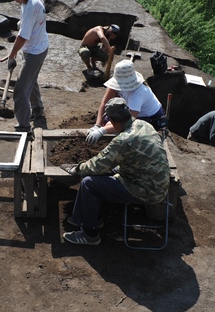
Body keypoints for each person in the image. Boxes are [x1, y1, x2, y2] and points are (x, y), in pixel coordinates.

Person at [61, 97, 169, 246]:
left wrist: (77, 168)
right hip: (157, 182)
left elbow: (98, 165)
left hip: (146, 190)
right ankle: (83, 218)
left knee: (88, 183)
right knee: (106, 172)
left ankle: (90, 234)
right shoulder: (144, 125)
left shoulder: (124, 140)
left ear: (111, 120)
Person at [0, 0, 49, 132]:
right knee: (31, 80)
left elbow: (22, 36)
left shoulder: (30, 8)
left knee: (20, 91)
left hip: (35, 51)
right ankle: (38, 110)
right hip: (38, 46)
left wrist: (12, 54)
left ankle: (24, 126)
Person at [86, 59, 164, 144]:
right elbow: (105, 103)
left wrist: (102, 130)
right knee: (108, 121)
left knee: (125, 131)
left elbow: (129, 121)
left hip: (149, 117)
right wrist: (97, 125)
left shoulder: (138, 93)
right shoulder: (117, 84)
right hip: (130, 111)